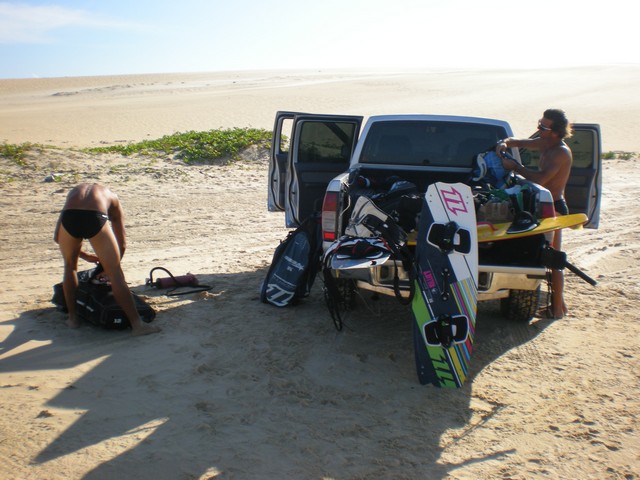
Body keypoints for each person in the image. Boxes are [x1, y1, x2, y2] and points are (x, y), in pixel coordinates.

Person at [496, 108, 573, 319]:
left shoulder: (560, 152)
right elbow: (519, 142)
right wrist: (505, 143)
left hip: (554, 206)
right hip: (544, 204)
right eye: (539, 123)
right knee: (547, 256)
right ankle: (560, 306)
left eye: (543, 127)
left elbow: (540, 180)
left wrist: (515, 166)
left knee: (554, 259)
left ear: (555, 132)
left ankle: (557, 309)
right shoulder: (545, 143)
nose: (538, 128)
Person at [54, 183, 161, 336]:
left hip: (70, 216)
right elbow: (122, 244)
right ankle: (138, 325)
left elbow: (57, 237)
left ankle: (72, 319)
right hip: (95, 217)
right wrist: (107, 268)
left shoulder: (74, 192)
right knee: (115, 274)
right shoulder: (113, 198)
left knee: (70, 267)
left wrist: (85, 256)